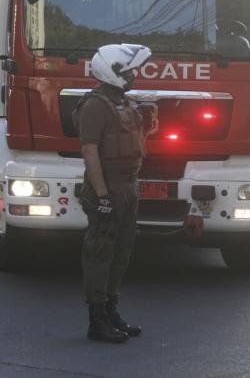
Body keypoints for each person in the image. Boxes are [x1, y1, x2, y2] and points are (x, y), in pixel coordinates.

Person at [73, 44, 153, 343]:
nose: (134, 75)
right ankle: (97, 322)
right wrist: (103, 196)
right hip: (108, 187)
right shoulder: (96, 105)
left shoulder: (124, 103)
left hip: (128, 186)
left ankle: (110, 311)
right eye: (130, 70)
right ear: (114, 71)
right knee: (99, 253)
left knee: (121, 252)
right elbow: (90, 152)